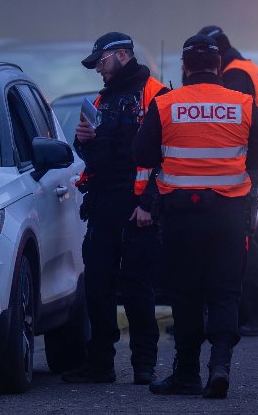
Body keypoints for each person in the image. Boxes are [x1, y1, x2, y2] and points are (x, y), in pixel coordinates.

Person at [134, 34, 258, 399]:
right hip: (229, 214)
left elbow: (143, 154)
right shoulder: (241, 103)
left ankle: (186, 374)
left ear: (184, 67)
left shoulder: (166, 103)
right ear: (217, 65)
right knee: (225, 293)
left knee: (187, 295)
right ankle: (220, 366)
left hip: (181, 218)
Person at [61, 32, 167, 385]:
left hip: (138, 208)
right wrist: (82, 140)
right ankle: (100, 365)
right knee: (98, 286)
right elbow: (91, 156)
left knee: (137, 287)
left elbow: (168, 159)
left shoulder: (156, 95)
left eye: (101, 63)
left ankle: (144, 365)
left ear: (122, 55)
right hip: (104, 204)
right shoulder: (101, 100)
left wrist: (148, 205)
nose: (98, 71)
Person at [199, 25, 258, 337]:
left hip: (237, 167)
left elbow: (228, 123)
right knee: (243, 241)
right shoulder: (249, 69)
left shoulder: (234, 77)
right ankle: (252, 314)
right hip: (245, 164)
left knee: (243, 243)